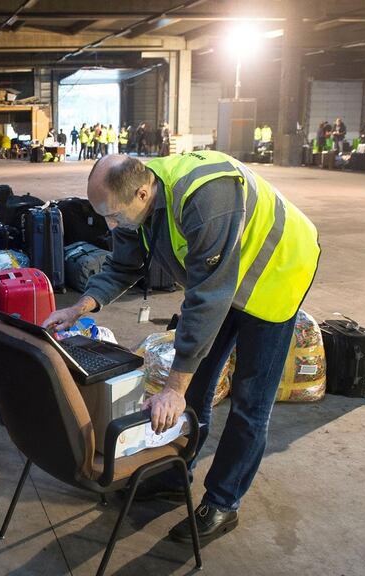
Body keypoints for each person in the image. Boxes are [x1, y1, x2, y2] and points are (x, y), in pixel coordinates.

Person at [43, 151, 320, 545]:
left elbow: (207, 299)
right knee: (197, 385)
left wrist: (173, 387)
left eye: (114, 215)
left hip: (275, 273)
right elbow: (124, 266)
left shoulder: (206, 198)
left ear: (142, 192)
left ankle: (224, 501)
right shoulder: (135, 201)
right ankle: (175, 475)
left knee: (249, 402)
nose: (111, 224)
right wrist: (78, 307)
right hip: (223, 277)